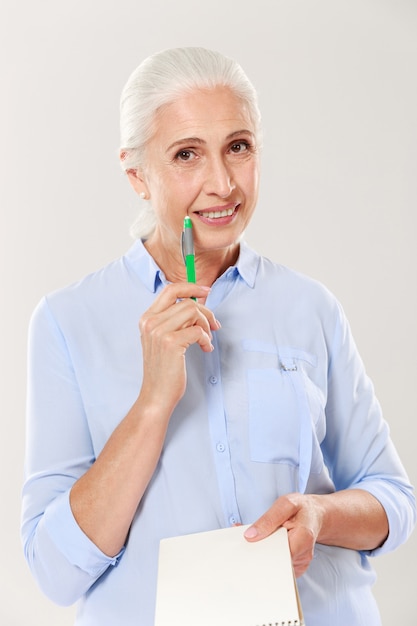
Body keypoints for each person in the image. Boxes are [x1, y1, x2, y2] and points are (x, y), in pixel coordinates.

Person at [21, 47, 415, 626]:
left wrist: (317, 516)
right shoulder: (66, 320)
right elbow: (54, 571)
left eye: (238, 146)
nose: (223, 183)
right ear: (137, 175)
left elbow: (392, 501)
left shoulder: (310, 308)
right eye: (186, 155)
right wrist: (154, 402)